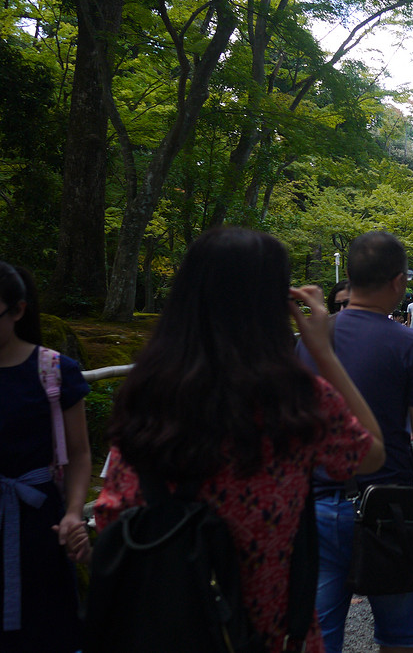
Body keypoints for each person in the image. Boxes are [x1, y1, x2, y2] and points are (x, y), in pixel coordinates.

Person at [96, 228, 386, 652]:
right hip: (268, 632)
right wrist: (323, 351)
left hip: (161, 625)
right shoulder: (296, 401)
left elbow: (110, 516)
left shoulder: (146, 395)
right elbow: (372, 454)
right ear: (275, 305)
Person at [297, 231, 413, 653]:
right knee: (399, 636)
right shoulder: (409, 344)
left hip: (319, 501)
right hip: (389, 505)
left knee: (319, 636)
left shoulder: (308, 342)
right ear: (398, 282)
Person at [1, 262, 91, 653]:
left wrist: (73, 512)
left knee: (43, 631)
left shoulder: (54, 370)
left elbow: (79, 452)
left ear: (18, 310)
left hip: (38, 523)